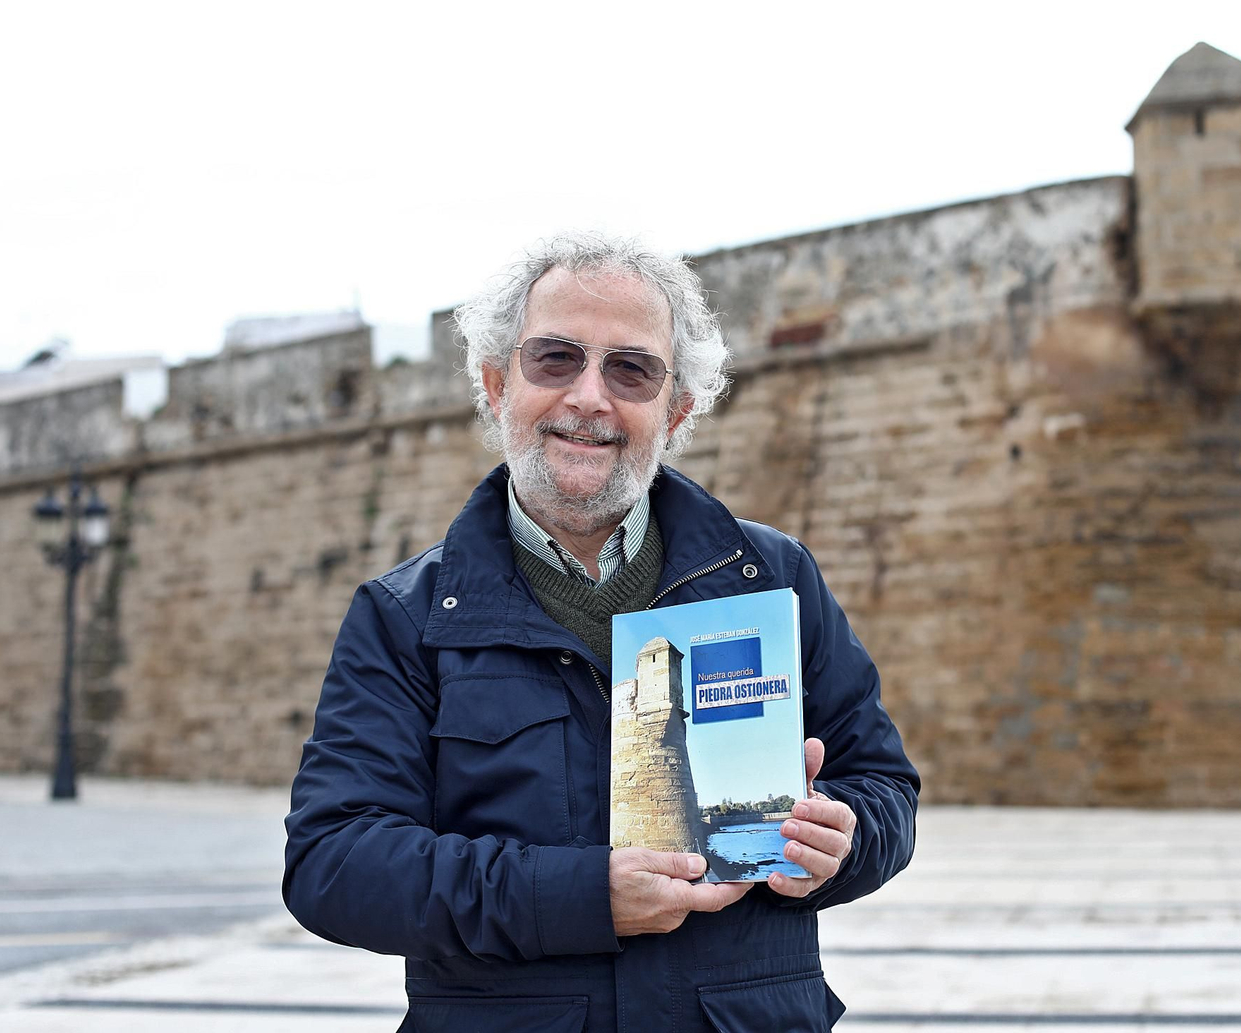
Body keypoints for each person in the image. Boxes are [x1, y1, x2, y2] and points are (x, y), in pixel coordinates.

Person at [283, 232, 919, 1032]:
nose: (589, 396)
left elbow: (885, 786)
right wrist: (582, 897)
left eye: (631, 368)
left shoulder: (775, 576)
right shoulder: (405, 616)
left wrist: (845, 839)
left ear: (676, 408)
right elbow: (334, 863)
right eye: (555, 359)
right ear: (495, 384)